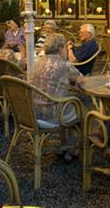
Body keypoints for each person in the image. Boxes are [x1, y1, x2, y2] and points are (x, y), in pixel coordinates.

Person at [30, 33, 83, 163]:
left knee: (66, 103)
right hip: (50, 115)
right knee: (79, 109)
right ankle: (71, 150)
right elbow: (81, 79)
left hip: (31, 112)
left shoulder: (37, 62)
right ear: (60, 48)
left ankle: (63, 147)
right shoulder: (64, 65)